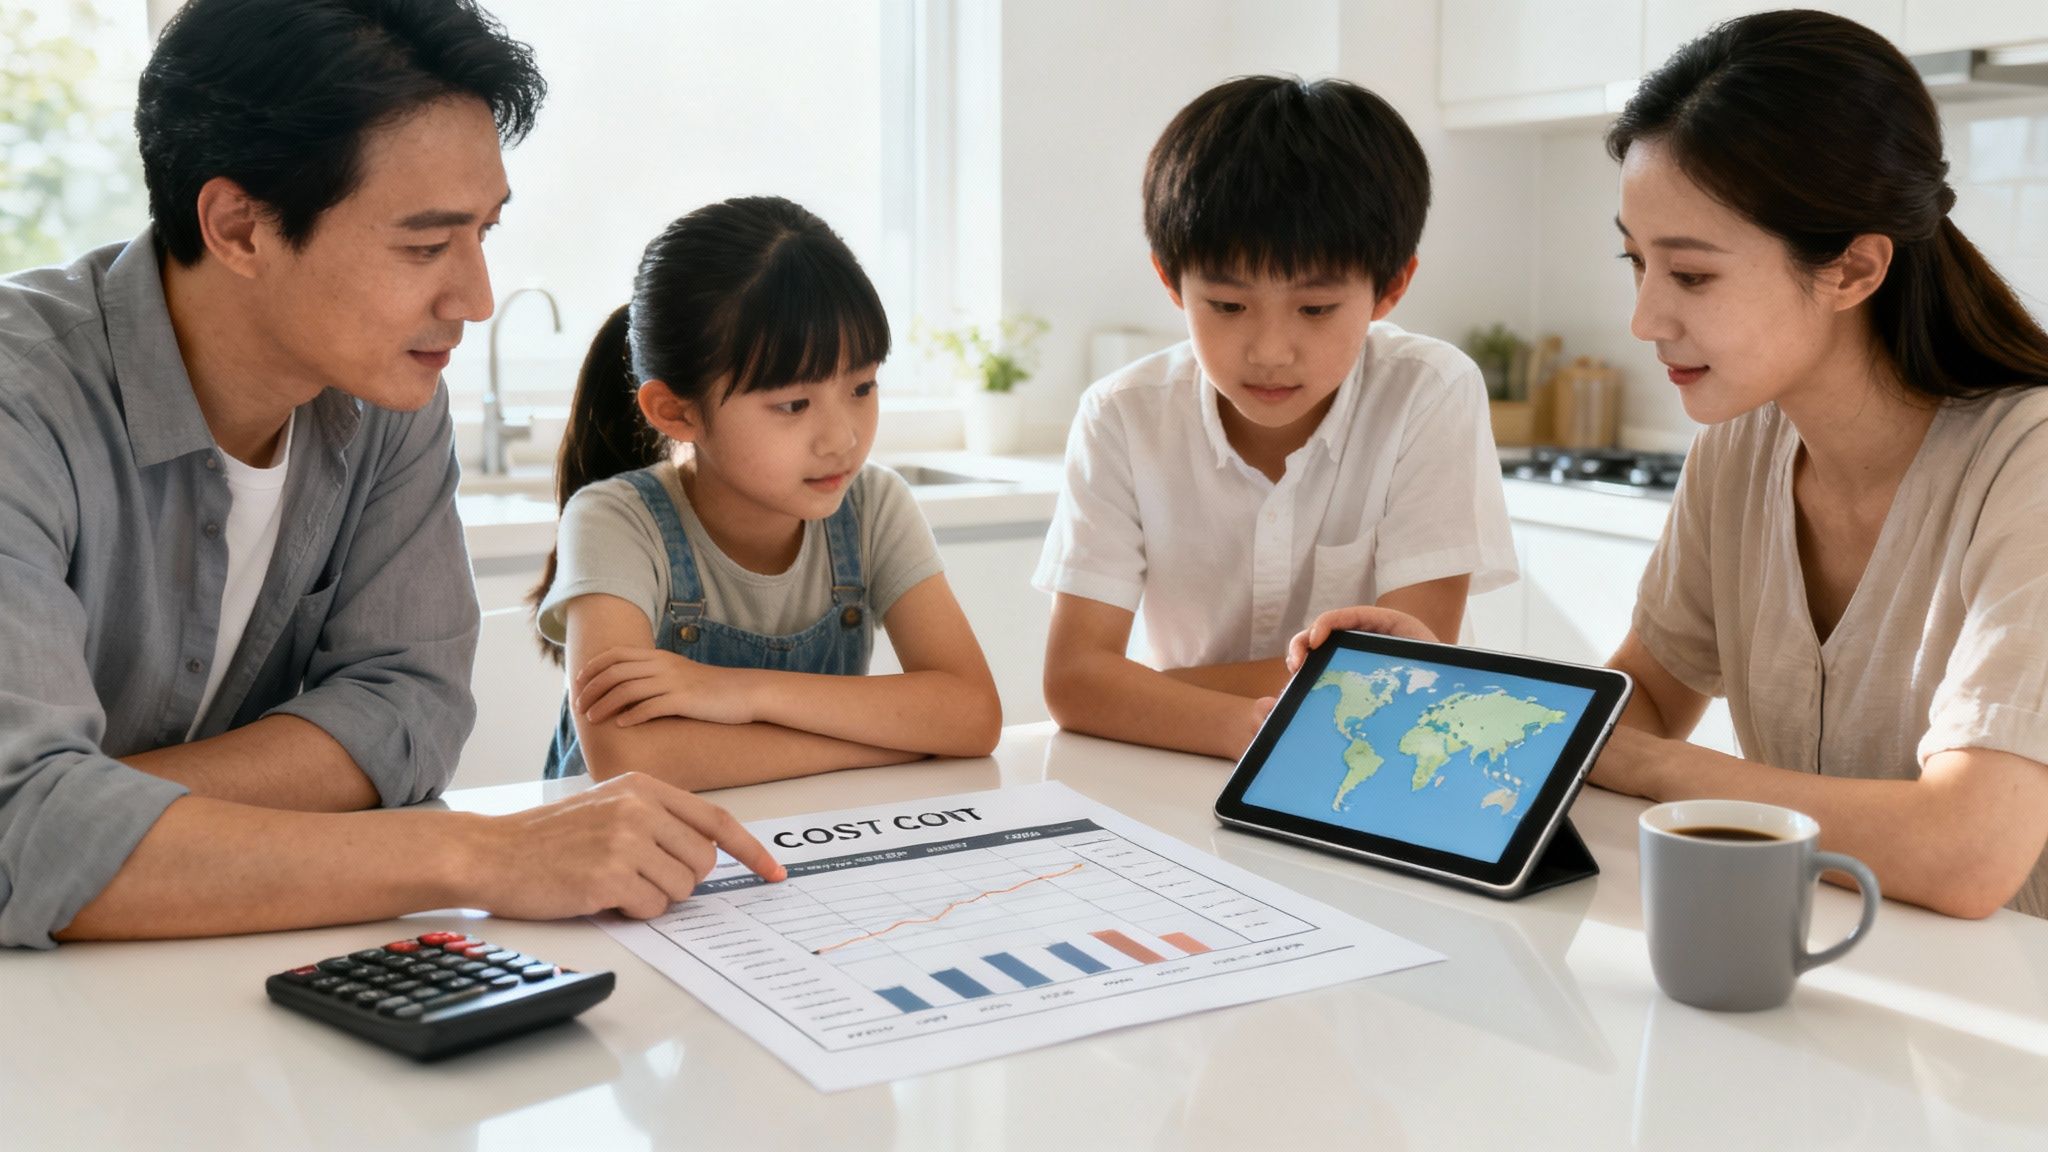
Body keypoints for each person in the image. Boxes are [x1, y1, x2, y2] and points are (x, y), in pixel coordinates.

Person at [0, 0, 780, 950]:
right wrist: (477, 857)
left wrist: (92, 808)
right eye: (423, 244)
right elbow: (21, 833)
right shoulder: (21, 404)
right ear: (239, 226)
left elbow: (410, 707)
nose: (475, 299)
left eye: (484, 233)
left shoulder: (386, 395)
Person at [1290, 11, 2048, 919]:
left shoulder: (2027, 465)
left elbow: (1966, 852)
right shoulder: (1742, 443)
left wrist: (1645, 763)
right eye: (1636, 260)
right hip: (1820, 958)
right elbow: (1645, 696)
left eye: (1691, 276)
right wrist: (1465, 696)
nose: (1645, 318)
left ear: (1853, 270)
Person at [1035, 75, 1517, 761]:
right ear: (1171, 280)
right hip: (1178, 765)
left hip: (1366, 764)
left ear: (1391, 287)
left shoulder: (1429, 391)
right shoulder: (1121, 415)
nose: (1268, 351)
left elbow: (1412, 669)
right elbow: (1077, 684)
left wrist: (1152, 695)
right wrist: (1250, 726)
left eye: (1315, 309)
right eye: (1228, 307)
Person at [531, 197, 1002, 785]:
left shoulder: (874, 506)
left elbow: (972, 715)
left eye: (862, 387)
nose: (842, 439)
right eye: (792, 404)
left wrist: (737, 692)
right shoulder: (614, 520)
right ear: (676, 411)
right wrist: (895, 742)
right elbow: (630, 760)